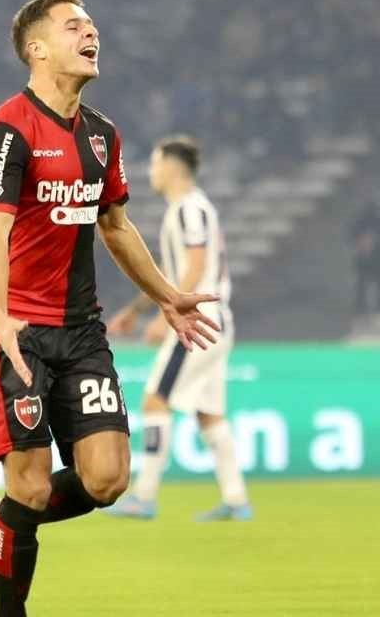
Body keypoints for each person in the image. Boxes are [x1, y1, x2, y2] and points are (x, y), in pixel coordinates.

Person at [0, 0, 218, 617]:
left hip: (80, 330)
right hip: (17, 327)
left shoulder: (102, 135)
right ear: (37, 48)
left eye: (92, 25)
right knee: (28, 484)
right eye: (73, 26)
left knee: (107, 479)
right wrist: (1, 321)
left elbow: (116, 226)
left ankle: (3, 520)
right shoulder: (10, 129)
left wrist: (167, 297)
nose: (90, 33)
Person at [107, 135, 252, 522]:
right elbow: (168, 274)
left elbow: (195, 266)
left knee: (155, 401)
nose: (151, 173)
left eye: (155, 164)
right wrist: (136, 310)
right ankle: (237, 500)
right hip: (213, 321)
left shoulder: (190, 209)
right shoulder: (187, 209)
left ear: (171, 167)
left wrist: (166, 311)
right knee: (209, 413)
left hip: (196, 321)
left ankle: (144, 496)